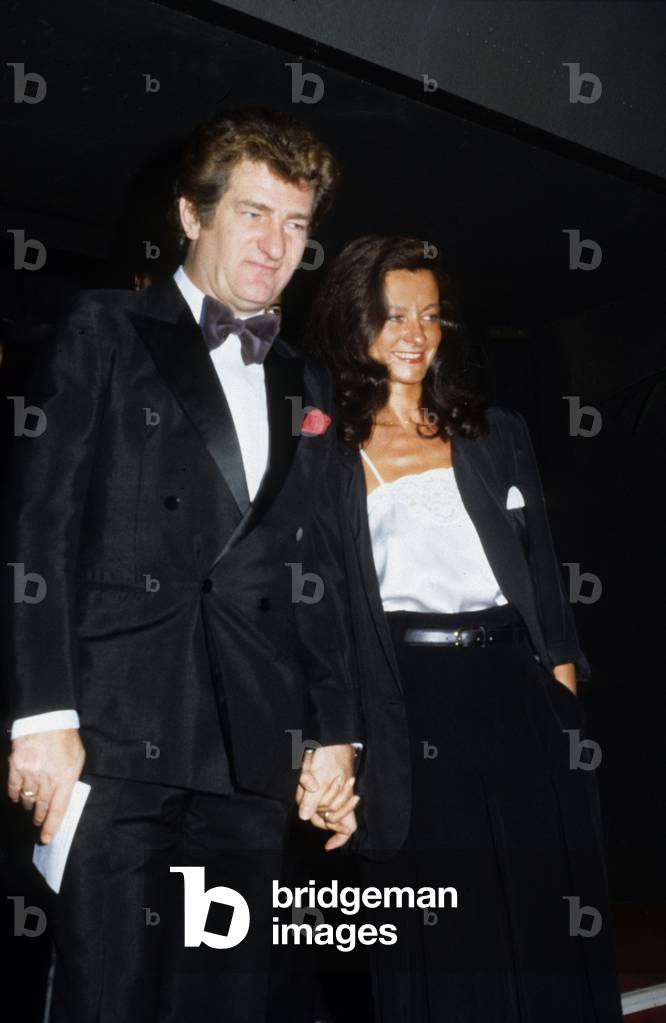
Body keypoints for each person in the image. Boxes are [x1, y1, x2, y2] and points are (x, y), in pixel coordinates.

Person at [2, 108, 362, 1023]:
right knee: (109, 996)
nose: (275, 243)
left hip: (250, 751)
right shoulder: (103, 329)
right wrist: (42, 715)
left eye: (295, 224)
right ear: (192, 216)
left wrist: (332, 733)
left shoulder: (307, 382)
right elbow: (36, 531)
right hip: (115, 740)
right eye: (252, 213)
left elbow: (309, 569)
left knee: (227, 998)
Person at [307, 235, 624, 1022]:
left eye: (430, 315)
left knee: (545, 911)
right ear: (356, 325)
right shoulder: (327, 453)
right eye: (392, 316)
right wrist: (334, 739)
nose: (414, 333)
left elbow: (546, 590)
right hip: (410, 703)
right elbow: (326, 621)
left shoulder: (495, 433)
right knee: (449, 932)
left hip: (516, 692)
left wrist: (563, 709)